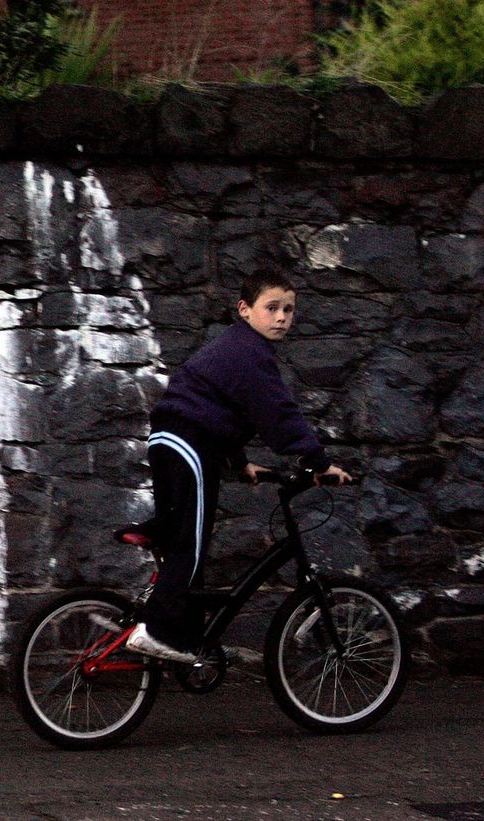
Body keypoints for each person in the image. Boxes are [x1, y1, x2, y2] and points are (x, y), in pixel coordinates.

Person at [126, 272, 352, 664]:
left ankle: (180, 632)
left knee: (184, 534)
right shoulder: (250, 353)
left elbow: (218, 406)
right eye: (272, 308)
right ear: (245, 310)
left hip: (175, 441)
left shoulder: (238, 348)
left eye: (289, 310)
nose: (281, 317)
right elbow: (278, 414)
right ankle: (157, 631)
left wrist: (239, 462)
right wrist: (318, 462)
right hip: (186, 443)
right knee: (190, 543)